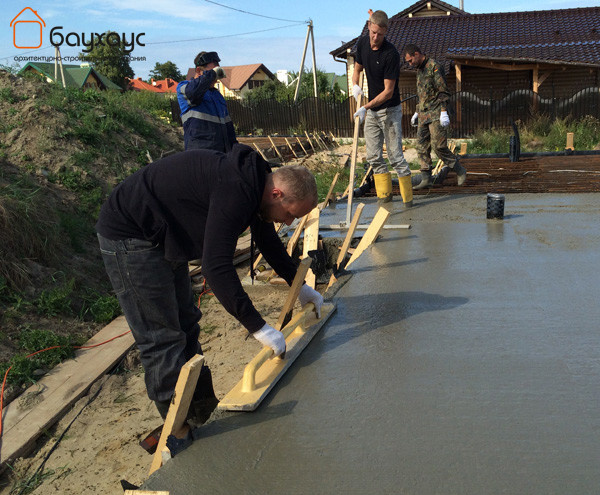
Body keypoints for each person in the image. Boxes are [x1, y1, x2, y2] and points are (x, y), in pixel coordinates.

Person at [96, 144, 323, 425]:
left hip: (163, 229)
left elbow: (267, 241)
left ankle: (202, 411)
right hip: (131, 236)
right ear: (277, 194)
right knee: (162, 338)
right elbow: (216, 268)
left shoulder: (257, 186)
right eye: (290, 214)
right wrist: (258, 327)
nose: (288, 221)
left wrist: (299, 285)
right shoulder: (236, 192)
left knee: (187, 323)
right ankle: (177, 432)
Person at [351, 10, 413, 206]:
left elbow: (388, 92)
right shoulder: (362, 43)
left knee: (395, 157)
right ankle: (384, 200)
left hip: (390, 111)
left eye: (380, 34)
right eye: (373, 32)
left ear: (386, 31)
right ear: (369, 26)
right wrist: (355, 85)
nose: (375, 37)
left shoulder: (390, 54)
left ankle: (408, 203)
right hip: (372, 112)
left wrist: (365, 107)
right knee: (373, 157)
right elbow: (358, 68)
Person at [403, 44, 467, 189]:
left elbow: (442, 90)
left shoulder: (434, 66)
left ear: (417, 54)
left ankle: (459, 170)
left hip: (437, 112)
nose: (410, 64)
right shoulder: (419, 70)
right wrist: (416, 111)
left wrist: (444, 111)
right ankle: (426, 178)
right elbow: (422, 94)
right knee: (421, 145)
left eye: (410, 60)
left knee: (439, 146)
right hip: (424, 113)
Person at [177, 51, 237, 152]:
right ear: (198, 70)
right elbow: (193, 92)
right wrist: (212, 74)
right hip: (200, 156)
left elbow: (229, 130)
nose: (215, 78)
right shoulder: (184, 87)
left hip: (221, 156)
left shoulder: (217, 96)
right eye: (212, 72)